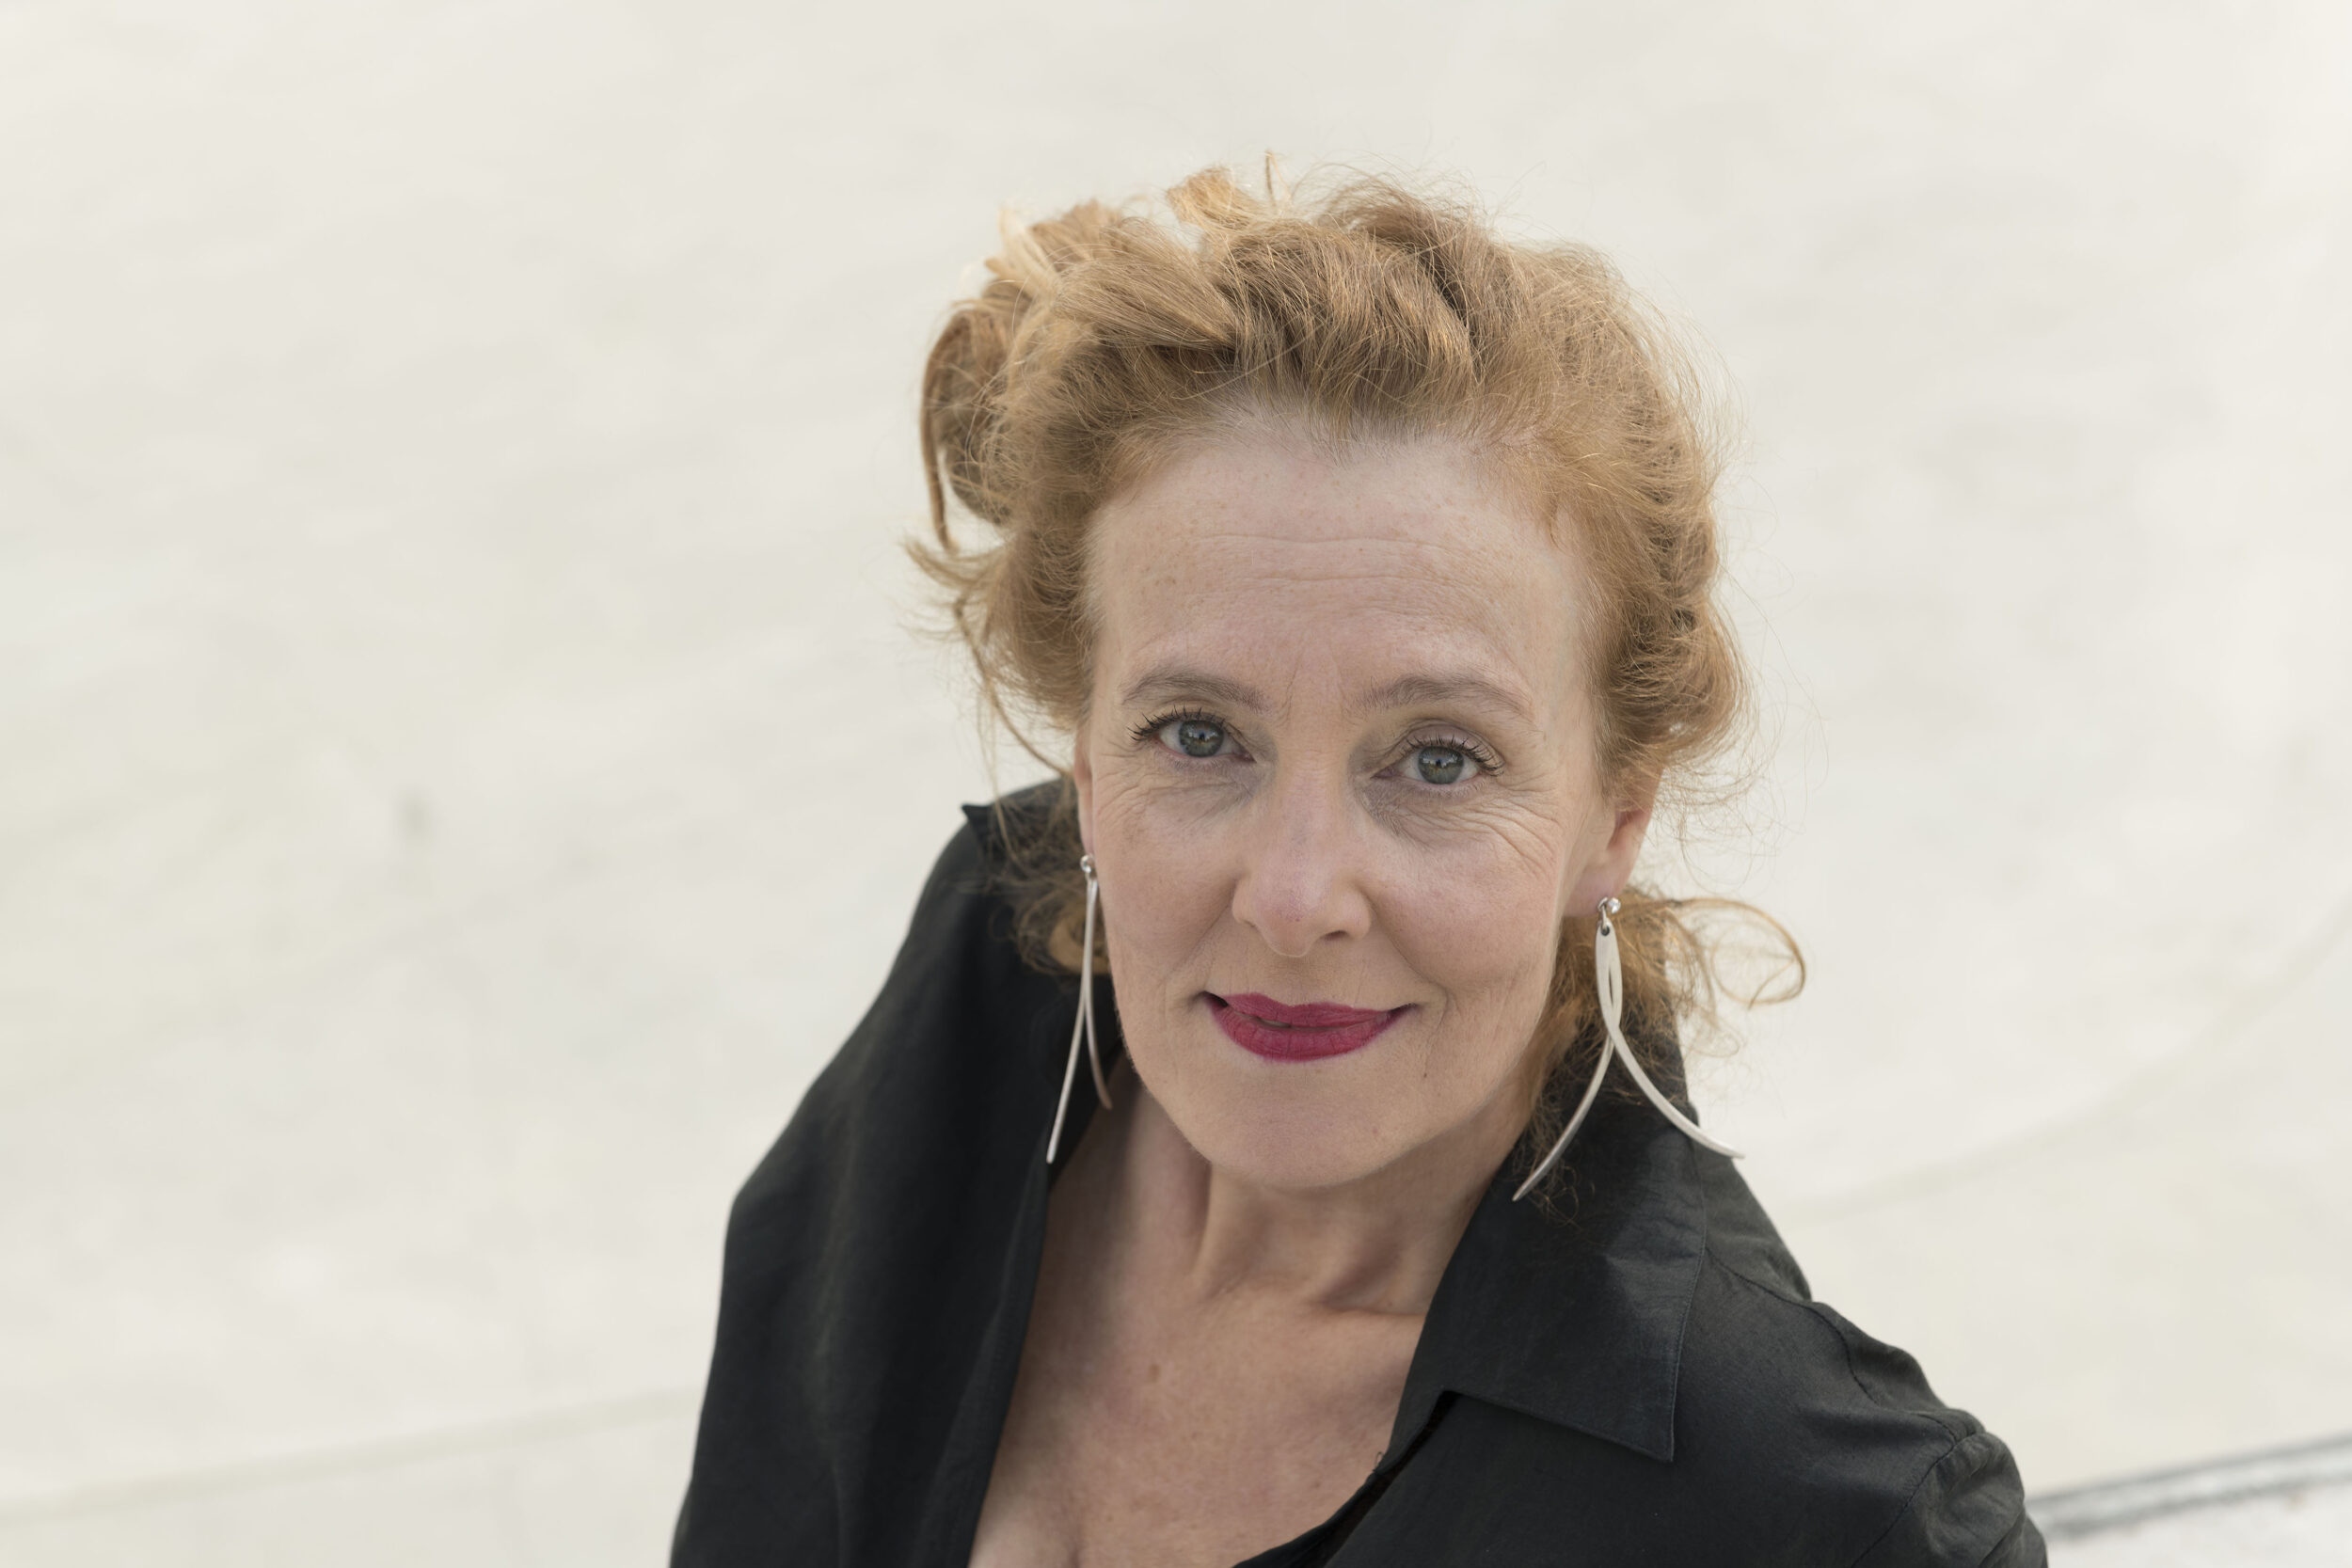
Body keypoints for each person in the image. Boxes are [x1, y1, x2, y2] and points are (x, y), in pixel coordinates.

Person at [672, 166, 2043, 1566]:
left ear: (1615, 818)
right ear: (1084, 761)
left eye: (1438, 759)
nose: (1292, 900)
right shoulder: (987, 989)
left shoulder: (1818, 1518)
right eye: (1198, 735)